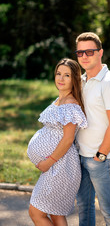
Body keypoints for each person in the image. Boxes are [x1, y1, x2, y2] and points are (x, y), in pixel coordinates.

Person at [27, 58, 87, 226]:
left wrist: (48, 162)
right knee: (56, 214)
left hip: (60, 166)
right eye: (58, 74)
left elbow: (68, 139)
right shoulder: (60, 99)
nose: (61, 78)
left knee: (36, 213)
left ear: (74, 79)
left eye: (66, 75)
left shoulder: (70, 105)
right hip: (56, 166)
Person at [75, 32, 110, 226]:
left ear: (100, 52)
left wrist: (101, 155)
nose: (84, 56)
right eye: (80, 53)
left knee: (109, 213)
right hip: (80, 156)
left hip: (103, 159)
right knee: (84, 210)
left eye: (89, 51)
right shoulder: (80, 81)